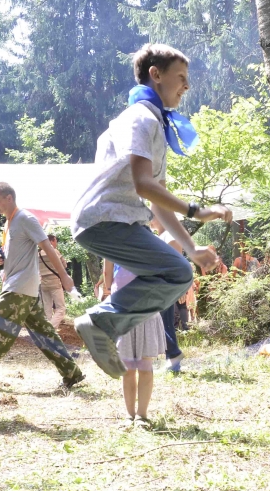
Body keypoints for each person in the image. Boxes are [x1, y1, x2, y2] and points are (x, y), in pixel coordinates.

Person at [70, 43, 231, 378]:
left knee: (177, 270)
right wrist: (196, 210)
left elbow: (157, 199)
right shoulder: (141, 118)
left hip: (117, 218)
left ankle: (104, 326)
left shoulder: (152, 121)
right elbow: (144, 185)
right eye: (181, 78)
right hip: (105, 218)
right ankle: (101, 322)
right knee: (176, 273)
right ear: (155, 75)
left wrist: (192, 248)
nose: (187, 86)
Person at [0, 182, 84, 389]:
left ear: (9, 198)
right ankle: (72, 373)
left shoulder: (25, 218)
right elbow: (19, 256)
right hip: (21, 287)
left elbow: (47, 247)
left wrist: (65, 277)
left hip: (19, 289)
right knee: (45, 334)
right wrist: (2, 266)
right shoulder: (9, 223)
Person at [103, 260, 166, 425]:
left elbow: (107, 277)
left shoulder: (112, 243)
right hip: (147, 308)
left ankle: (131, 415)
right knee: (144, 366)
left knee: (129, 367)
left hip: (125, 310)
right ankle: (140, 416)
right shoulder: (150, 241)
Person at [151, 217, 185, 372]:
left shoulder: (171, 237)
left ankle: (173, 354)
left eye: (152, 217)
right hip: (159, 286)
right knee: (163, 323)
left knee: (163, 323)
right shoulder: (161, 237)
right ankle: (172, 358)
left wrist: (180, 288)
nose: (150, 220)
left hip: (166, 287)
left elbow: (179, 265)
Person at [38, 233, 68, 329]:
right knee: (61, 308)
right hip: (55, 282)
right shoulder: (54, 252)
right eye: (56, 241)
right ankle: (50, 329)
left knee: (47, 309)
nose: (56, 243)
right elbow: (64, 266)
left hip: (43, 283)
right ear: (52, 240)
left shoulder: (38, 254)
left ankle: (46, 329)